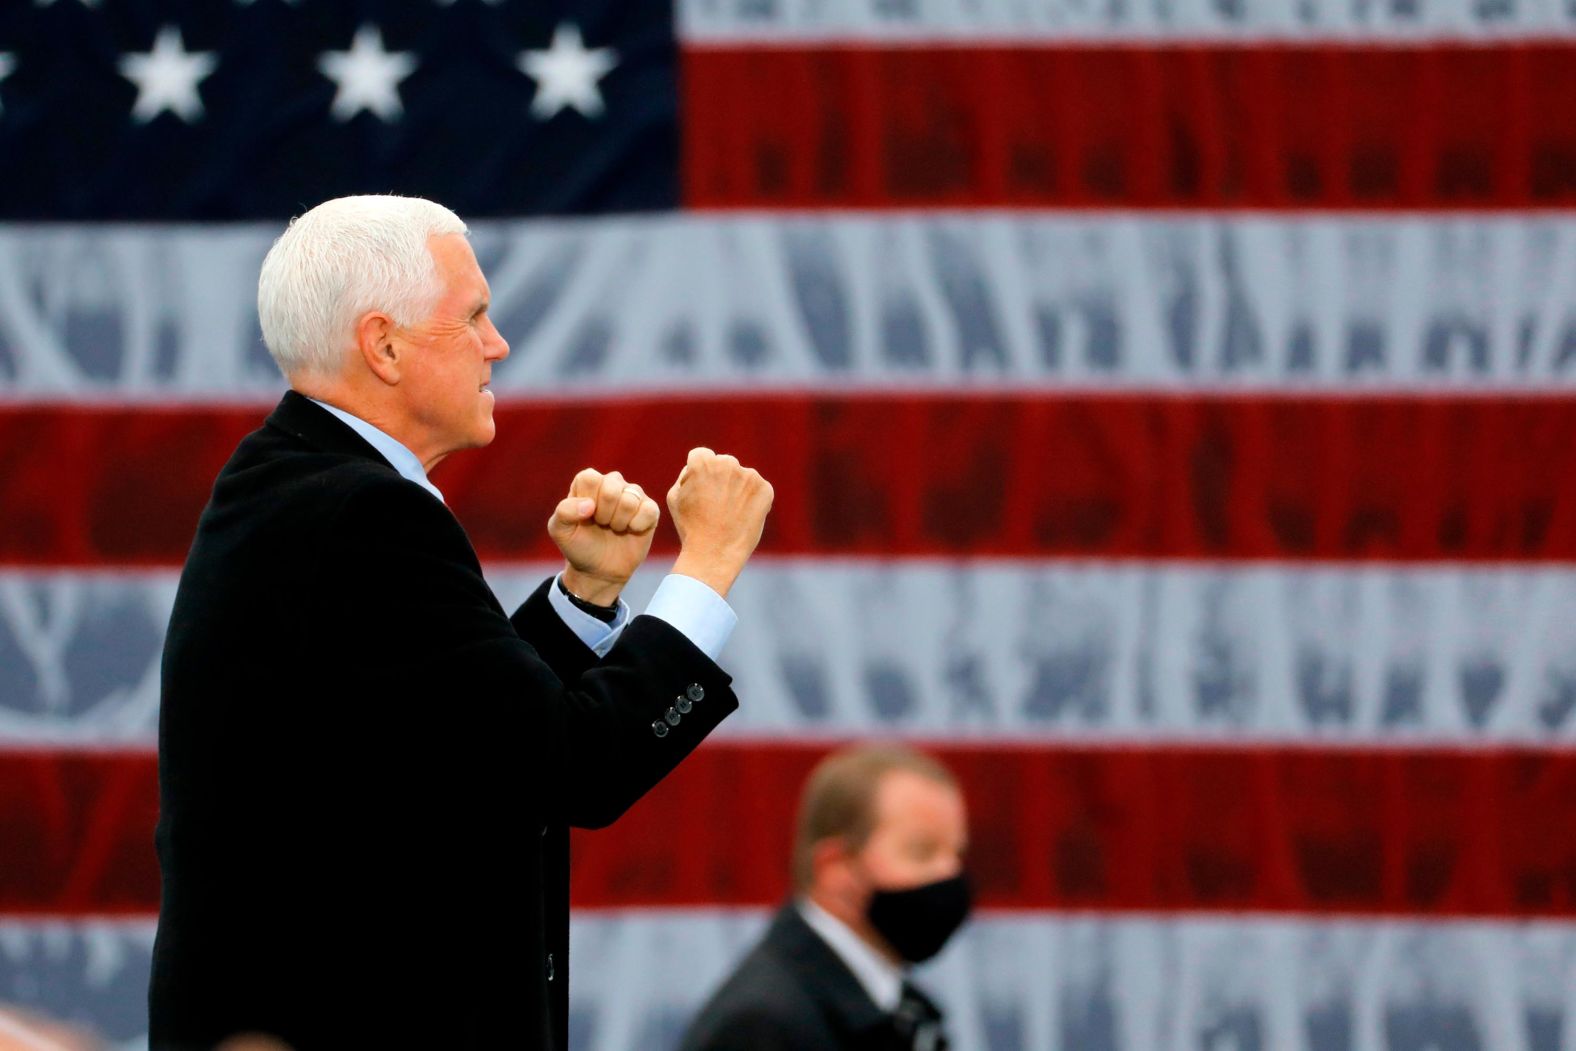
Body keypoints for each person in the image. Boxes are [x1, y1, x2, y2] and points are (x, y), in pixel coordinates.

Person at [147, 195, 773, 1050]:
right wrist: (707, 566)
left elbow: (460, 735)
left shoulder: (298, 489)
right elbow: (570, 766)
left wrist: (582, 599)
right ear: (385, 344)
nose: (498, 343)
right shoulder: (362, 513)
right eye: (473, 315)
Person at [678, 745, 971, 1051]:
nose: (950, 873)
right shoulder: (762, 1026)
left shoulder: (896, 1008)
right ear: (835, 868)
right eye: (921, 852)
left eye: (958, 853)